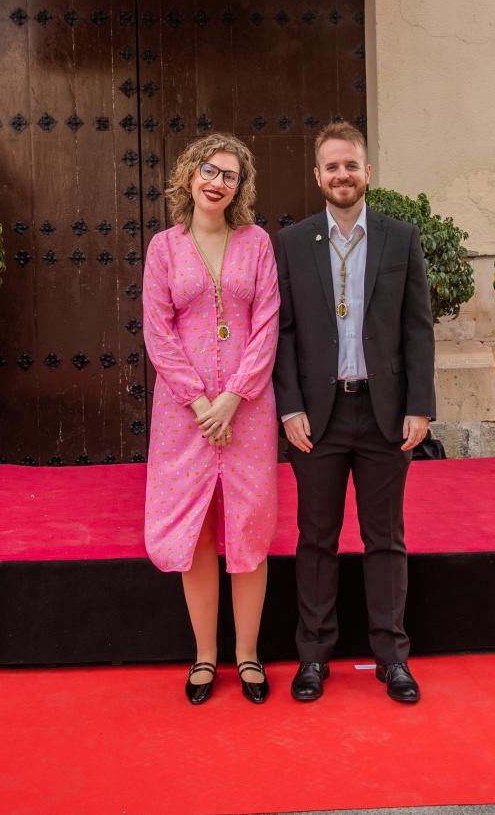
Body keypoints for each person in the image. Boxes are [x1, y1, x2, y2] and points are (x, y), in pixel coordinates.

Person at [275, 122, 435, 704]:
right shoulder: (292, 244)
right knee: (315, 539)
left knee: (384, 538)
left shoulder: (400, 238)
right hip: (316, 420)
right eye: (331, 167)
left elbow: (417, 329)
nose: (342, 175)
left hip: (384, 414)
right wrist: (288, 405)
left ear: (367, 172)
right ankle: (312, 657)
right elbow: (283, 334)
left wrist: (420, 405)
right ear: (317, 177)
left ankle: (392, 657)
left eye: (351, 165)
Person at [142, 134, 280, 705]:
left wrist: (234, 397)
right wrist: (201, 401)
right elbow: (157, 329)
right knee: (196, 531)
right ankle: (205, 655)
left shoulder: (258, 244)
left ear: (239, 187)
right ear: (190, 176)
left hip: (247, 412)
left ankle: (246, 655)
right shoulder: (164, 248)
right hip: (183, 415)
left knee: (247, 527)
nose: (216, 181)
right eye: (209, 170)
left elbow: (268, 322)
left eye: (229, 175)